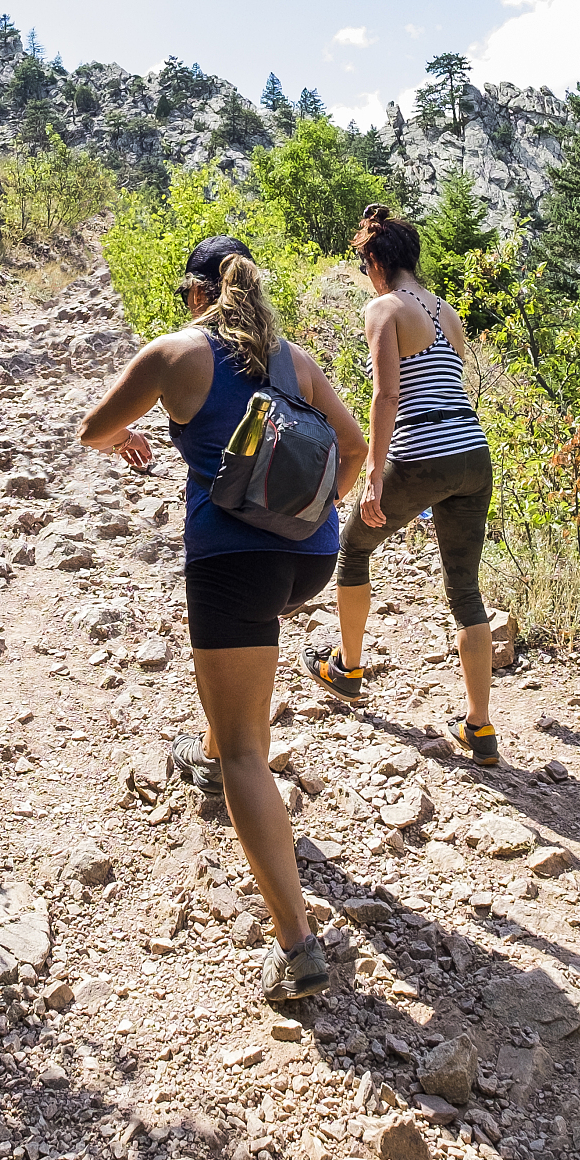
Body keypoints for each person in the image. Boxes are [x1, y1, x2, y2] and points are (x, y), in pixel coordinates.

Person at [78, 236, 366, 1004]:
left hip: (235, 561)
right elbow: (354, 446)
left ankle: (297, 946)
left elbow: (92, 429)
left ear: (198, 293)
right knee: (238, 669)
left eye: (185, 295)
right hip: (310, 559)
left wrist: (127, 439)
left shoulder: (175, 354)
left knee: (249, 750)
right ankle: (206, 754)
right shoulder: (295, 360)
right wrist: (307, 510)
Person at [305, 204, 499, 764]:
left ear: (376, 260)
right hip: (473, 452)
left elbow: (387, 395)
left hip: (421, 453)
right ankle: (480, 728)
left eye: (364, 263)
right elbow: (448, 380)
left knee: (353, 547)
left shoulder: (384, 308)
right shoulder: (447, 312)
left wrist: (373, 473)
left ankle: (347, 669)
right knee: (465, 590)